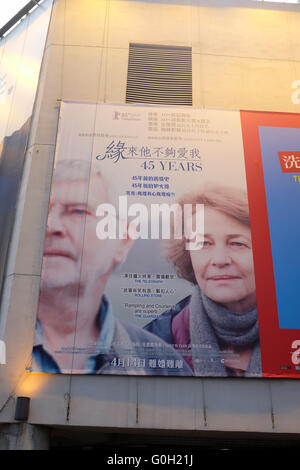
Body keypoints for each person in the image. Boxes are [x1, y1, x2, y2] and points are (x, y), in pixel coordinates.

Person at [32, 159, 192, 376]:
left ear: (123, 241)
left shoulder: (161, 364)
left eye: (79, 212)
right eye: (41, 210)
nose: (51, 225)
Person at [144, 183, 261, 377]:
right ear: (187, 254)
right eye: (203, 243)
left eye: (238, 243)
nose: (220, 260)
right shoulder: (154, 341)